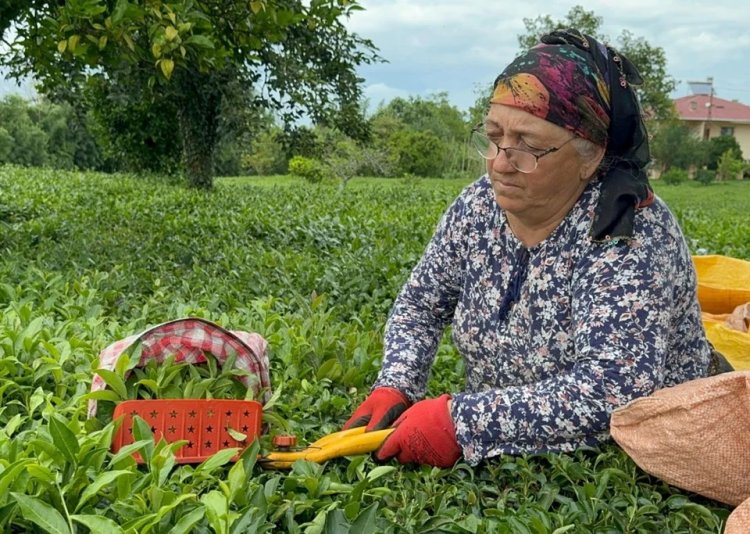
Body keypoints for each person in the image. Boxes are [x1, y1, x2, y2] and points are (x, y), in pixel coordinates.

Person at [343, 29, 713, 468]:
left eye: (529, 147)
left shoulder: (625, 229)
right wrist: (398, 382)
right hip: (505, 449)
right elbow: (421, 305)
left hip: (632, 450)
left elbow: (613, 388)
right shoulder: (478, 206)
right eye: (493, 137)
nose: (500, 162)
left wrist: (462, 422)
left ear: (589, 156)